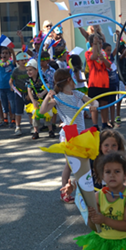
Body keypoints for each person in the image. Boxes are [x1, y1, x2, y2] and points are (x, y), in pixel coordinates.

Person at [40, 68, 98, 202]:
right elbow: (43, 110)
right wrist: (48, 97)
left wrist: (93, 106)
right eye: (73, 78)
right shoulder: (59, 98)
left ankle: (84, 190)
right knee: (70, 164)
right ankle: (65, 191)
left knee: (83, 163)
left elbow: (94, 101)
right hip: (69, 134)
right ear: (69, 80)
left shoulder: (77, 94)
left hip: (81, 135)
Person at [71, 153, 126, 250]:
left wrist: (104, 220)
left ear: (125, 174)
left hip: (122, 244)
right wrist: (90, 217)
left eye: (117, 171)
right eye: (108, 172)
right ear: (102, 175)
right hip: (100, 242)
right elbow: (95, 228)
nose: (112, 175)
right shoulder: (97, 196)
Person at [85, 34, 113, 130]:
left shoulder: (103, 54)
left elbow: (109, 66)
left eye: (101, 43)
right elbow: (93, 57)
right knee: (94, 105)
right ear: (92, 44)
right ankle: (95, 125)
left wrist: (103, 59)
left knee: (104, 104)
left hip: (104, 83)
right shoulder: (88, 53)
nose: (101, 45)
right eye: (98, 43)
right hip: (93, 83)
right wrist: (95, 45)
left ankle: (105, 123)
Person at [25, 59, 55, 139]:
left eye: (30, 70)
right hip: (36, 101)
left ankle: (50, 130)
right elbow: (29, 91)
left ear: (36, 70)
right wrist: (33, 101)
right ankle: (36, 132)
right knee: (35, 115)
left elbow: (47, 87)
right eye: (27, 70)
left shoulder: (42, 77)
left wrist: (42, 94)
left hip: (44, 100)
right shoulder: (29, 80)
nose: (29, 72)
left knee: (47, 114)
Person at [9, 51, 31, 136]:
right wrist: (11, 86)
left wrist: (30, 93)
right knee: (18, 111)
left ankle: (32, 125)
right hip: (19, 93)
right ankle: (17, 127)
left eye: (25, 59)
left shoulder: (29, 69)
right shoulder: (16, 71)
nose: (24, 61)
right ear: (18, 62)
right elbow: (11, 80)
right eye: (22, 60)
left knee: (30, 111)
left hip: (29, 93)